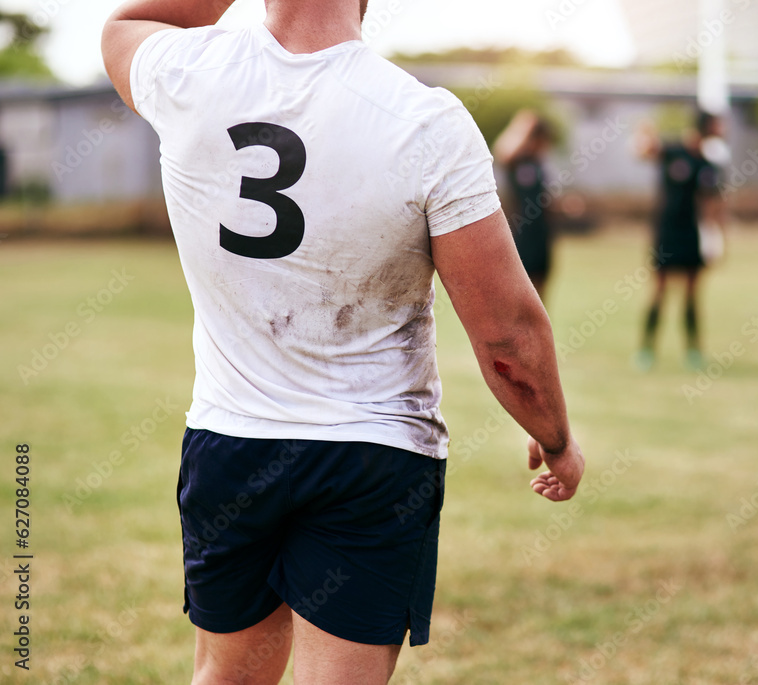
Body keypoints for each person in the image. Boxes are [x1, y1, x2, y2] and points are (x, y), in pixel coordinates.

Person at [102, 1, 585, 683]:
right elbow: (506, 331)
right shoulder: (424, 119)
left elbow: (126, 25)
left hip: (230, 442)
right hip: (372, 455)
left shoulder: (187, 73)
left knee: (225, 675)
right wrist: (556, 437)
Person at [634, 110, 725, 370]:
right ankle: (646, 350)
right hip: (666, 232)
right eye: (718, 125)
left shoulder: (707, 165)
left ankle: (693, 351)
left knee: (691, 295)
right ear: (705, 127)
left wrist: (715, 239)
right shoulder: (673, 151)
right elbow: (643, 152)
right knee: (659, 292)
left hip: (690, 234)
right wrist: (645, 131)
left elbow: (712, 204)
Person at [494, 110, 555, 302]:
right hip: (520, 234)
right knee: (519, 294)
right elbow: (501, 150)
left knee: (541, 292)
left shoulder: (539, 165)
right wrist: (523, 124)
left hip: (541, 234)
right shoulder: (515, 161)